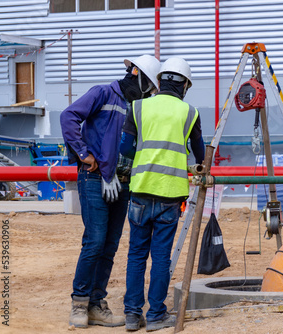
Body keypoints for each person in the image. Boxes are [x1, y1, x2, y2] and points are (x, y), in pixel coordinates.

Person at [60, 55, 161, 328]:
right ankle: (79, 304)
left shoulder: (138, 106)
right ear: (135, 73)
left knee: (109, 245)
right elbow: (68, 116)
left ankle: (96, 304)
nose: (149, 91)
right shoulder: (102, 93)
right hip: (94, 180)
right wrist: (84, 154)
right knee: (94, 241)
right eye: (149, 85)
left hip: (123, 183)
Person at [120, 57, 205, 332]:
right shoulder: (190, 113)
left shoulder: (138, 107)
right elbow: (200, 153)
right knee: (161, 257)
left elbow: (126, 149)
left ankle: (132, 315)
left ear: (160, 81)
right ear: (185, 86)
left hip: (141, 190)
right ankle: (156, 315)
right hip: (171, 195)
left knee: (136, 255)